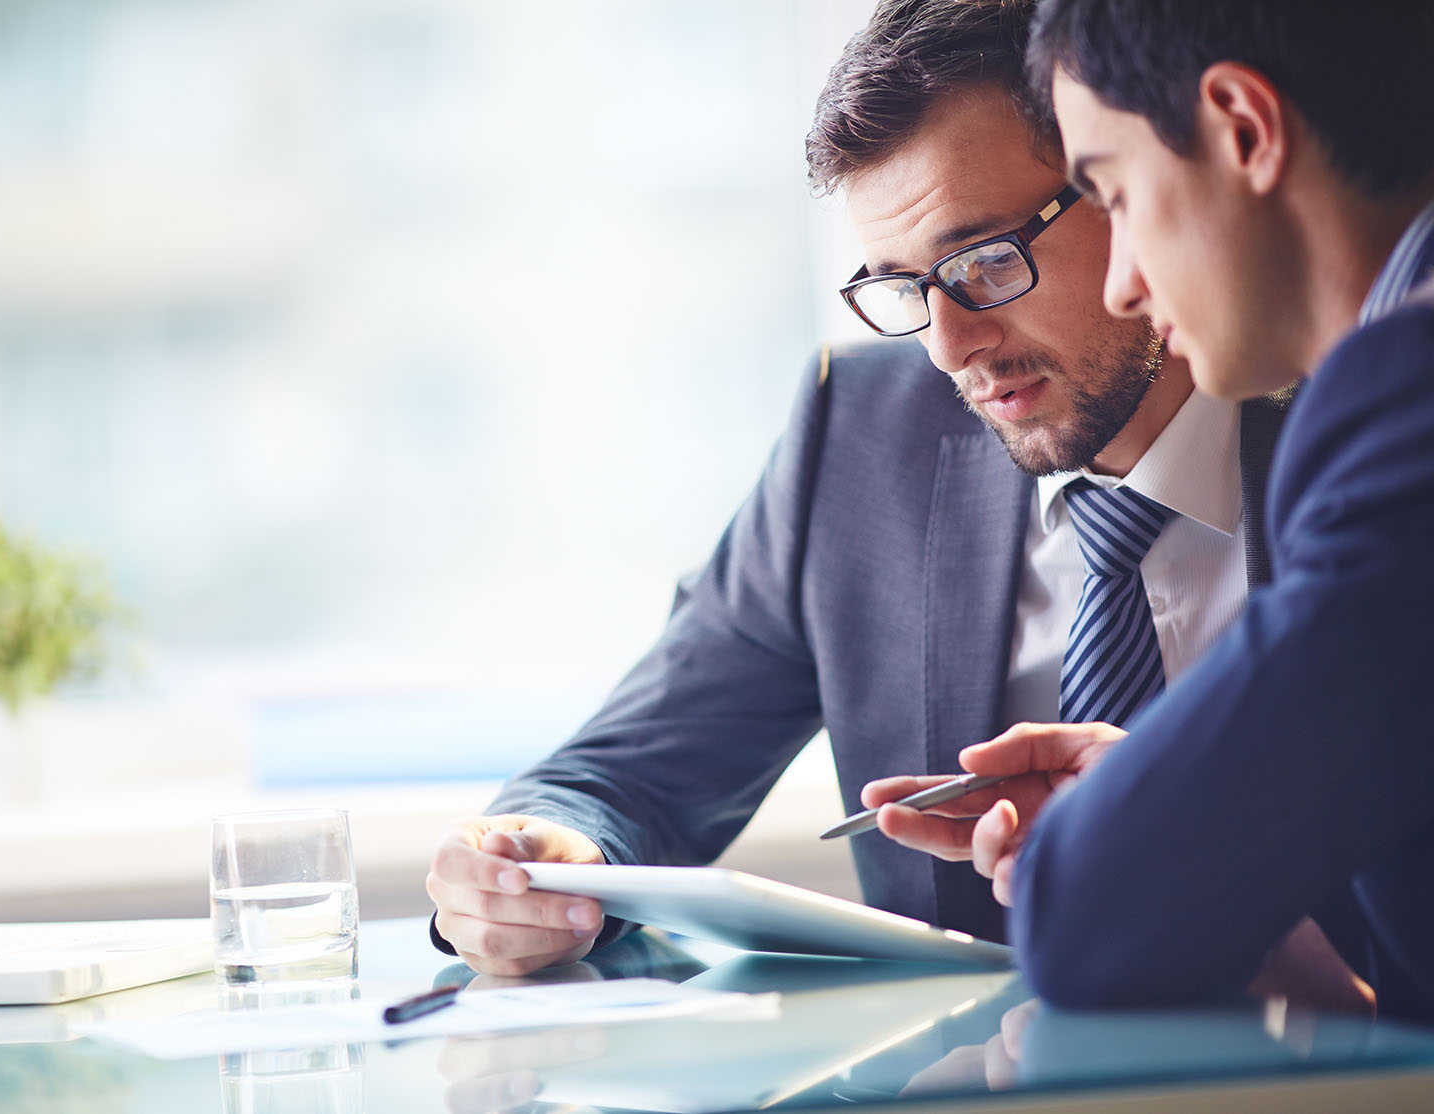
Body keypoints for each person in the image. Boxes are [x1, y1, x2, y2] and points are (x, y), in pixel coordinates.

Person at [424, 0, 1287, 978]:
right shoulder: (866, 434)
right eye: (903, 287)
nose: (949, 347)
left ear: (1119, 182)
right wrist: (531, 856)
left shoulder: (1361, 418)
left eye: (985, 262)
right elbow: (631, 767)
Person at [885, 0, 1434, 1019]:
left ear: (1241, 128)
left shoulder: (1408, 393)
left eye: (1117, 194)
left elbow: (1084, 920)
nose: (1126, 281)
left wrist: (1152, 835)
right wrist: (1193, 809)